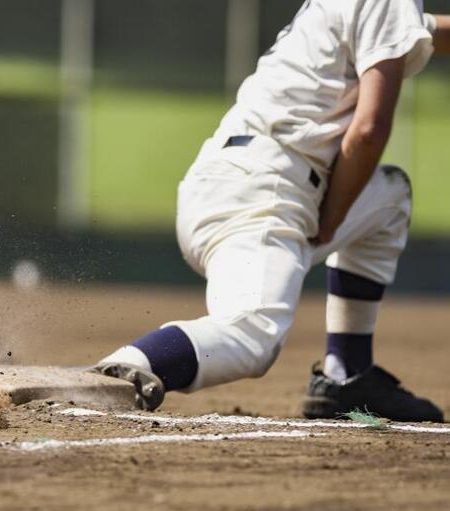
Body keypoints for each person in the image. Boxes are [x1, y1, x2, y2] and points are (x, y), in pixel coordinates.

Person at [94, 2, 449, 422]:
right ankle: (105, 380)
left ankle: (347, 376)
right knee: (253, 333)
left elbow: (427, 31)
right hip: (264, 190)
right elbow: (369, 131)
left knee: (390, 198)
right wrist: (332, 216)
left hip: (246, 177)